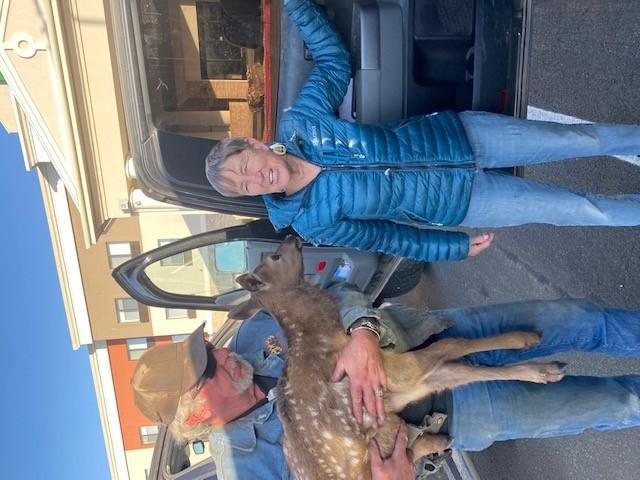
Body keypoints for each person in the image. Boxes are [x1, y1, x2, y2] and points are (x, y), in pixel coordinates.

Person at [205, 0, 640, 263]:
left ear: (255, 144)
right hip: (465, 203)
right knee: (581, 210)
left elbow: (333, 61)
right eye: (244, 186)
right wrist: (448, 248)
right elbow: (387, 236)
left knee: (582, 139)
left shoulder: (302, 124)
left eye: (246, 165)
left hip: (461, 137)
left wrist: (295, 5)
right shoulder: (310, 221)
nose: (256, 178)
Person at [131, 289, 640, 479]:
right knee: (616, 402)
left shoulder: (255, 333)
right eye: (209, 368)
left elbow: (336, 293)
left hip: (438, 333)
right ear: (196, 412)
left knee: (579, 318)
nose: (222, 353)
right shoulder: (247, 470)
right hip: (456, 414)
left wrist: (362, 330)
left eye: (207, 349)